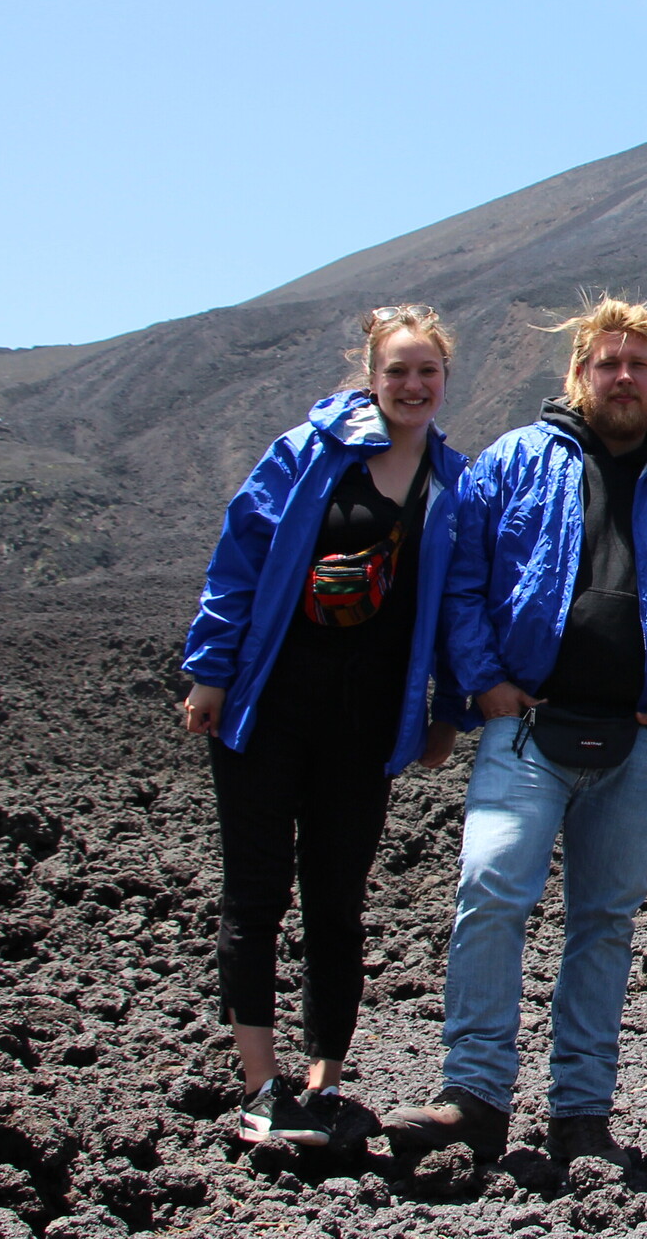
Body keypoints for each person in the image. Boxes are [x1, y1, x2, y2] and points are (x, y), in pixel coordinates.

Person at [383, 296, 647, 1167]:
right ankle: (473, 1095)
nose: (624, 378)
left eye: (640, 365)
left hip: (636, 745)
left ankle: (581, 1111)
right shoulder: (515, 461)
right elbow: (464, 580)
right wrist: (485, 683)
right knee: (492, 890)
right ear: (578, 374)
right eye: (607, 363)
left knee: (605, 923)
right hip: (527, 729)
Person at [180, 304, 469, 1146]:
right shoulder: (309, 457)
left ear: (445, 381)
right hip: (269, 709)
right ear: (371, 377)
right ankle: (262, 1085)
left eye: (427, 373)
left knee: (339, 906)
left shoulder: (451, 485)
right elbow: (240, 558)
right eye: (398, 372)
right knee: (259, 894)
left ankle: (324, 1083)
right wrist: (209, 671)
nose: (412, 387)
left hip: (366, 725)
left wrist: (444, 712)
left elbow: (457, 607)